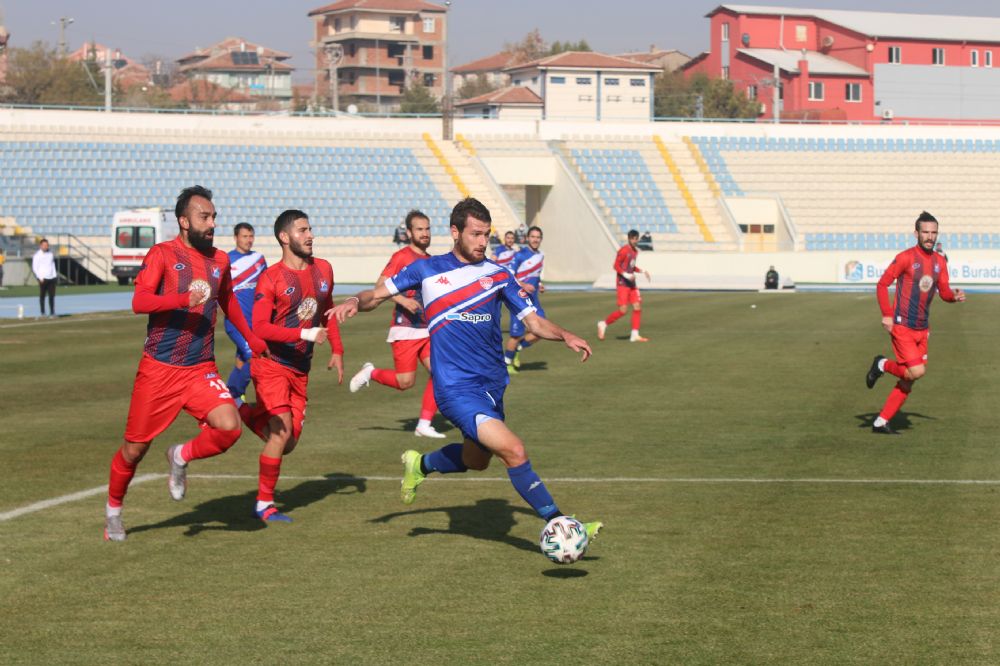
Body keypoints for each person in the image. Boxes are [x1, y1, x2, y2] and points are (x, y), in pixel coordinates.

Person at [330, 197, 603, 545]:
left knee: (476, 461)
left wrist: (564, 335)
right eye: (475, 234)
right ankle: (563, 525)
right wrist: (355, 301)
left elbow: (532, 320)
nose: (481, 242)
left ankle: (422, 465)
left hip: (492, 386)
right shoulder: (426, 270)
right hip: (455, 388)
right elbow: (377, 295)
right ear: (455, 232)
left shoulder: (499, 274)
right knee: (514, 451)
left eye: (486, 235)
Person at [103, 185, 267, 542]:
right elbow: (139, 301)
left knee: (229, 427)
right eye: (204, 217)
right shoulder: (163, 254)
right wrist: (181, 298)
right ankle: (113, 512)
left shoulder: (220, 260)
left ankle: (179, 455)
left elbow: (228, 301)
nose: (211, 224)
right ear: (183, 221)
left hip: (200, 368)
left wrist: (252, 337)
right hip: (158, 370)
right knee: (134, 450)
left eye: (213, 217)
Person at [238, 210, 344, 522]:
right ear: (285, 238)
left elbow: (327, 311)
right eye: (302, 230)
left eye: (310, 229)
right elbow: (259, 327)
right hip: (270, 364)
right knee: (281, 432)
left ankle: (241, 409)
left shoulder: (323, 270)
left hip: (301, 368)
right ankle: (264, 505)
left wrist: (337, 349)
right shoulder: (271, 278)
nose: (310, 235)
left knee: (288, 443)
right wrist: (303, 333)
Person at [865, 211, 965, 434]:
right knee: (917, 371)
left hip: (923, 328)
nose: (930, 236)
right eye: (925, 232)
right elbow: (882, 284)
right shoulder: (905, 257)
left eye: (933, 232)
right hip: (903, 325)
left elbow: (944, 292)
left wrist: (954, 297)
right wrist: (887, 314)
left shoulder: (940, 261)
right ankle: (882, 364)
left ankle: (880, 422)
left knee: (910, 378)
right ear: (916, 233)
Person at [348, 210, 445, 438]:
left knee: (441, 373)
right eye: (419, 229)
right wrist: (403, 300)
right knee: (405, 382)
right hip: (405, 329)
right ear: (409, 232)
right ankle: (370, 373)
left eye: (427, 229)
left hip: (426, 329)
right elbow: (380, 286)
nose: (425, 233)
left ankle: (423, 424)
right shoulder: (402, 256)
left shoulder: (430, 260)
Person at [225, 222, 267, 400]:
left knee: (242, 360)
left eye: (251, 236)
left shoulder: (259, 259)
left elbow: (266, 285)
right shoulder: (226, 261)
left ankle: (234, 396)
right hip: (236, 322)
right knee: (255, 358)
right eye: (244, 236)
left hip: (256, 321)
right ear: (235, 238)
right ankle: (232, 396)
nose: (248, 240)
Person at [504, 225, 545, 375]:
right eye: (532, 237)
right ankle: (507, 364)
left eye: (538, 237)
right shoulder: (520, 255)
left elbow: (537, 274)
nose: (535, 240)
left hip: (533, 300)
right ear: (527, 238)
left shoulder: (541, 256)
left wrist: (539, 284)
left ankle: (517, 349)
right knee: (515, 335)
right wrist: (523, 285)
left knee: (541, 331)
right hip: (518, 300)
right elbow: (508, 275)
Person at [597, 229, 651, 343]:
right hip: (622, 284)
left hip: (632, 284)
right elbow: (616, 266)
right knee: (623, 310)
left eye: (636, 239)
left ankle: (634, 335)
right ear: (629, 238)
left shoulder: (635, 252)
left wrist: (642, 270)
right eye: (632, 238)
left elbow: (631, 267)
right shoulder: (623, 251)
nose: (634, 241)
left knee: (637, 307)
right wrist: (626, 275)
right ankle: (603, 324)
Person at [32, 238, 58, 317]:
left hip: (51, 278)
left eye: (47, 245)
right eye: (44, 245)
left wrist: (54, 275)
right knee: (42, 295)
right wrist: (39, 277)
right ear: (40, 246)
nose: (45, 246)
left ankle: (52, 312)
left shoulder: (50, 254)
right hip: (43, 278)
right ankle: (43, 313)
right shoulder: (37, 255)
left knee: (52, 296)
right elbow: (35, 268)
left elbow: (52, 265)